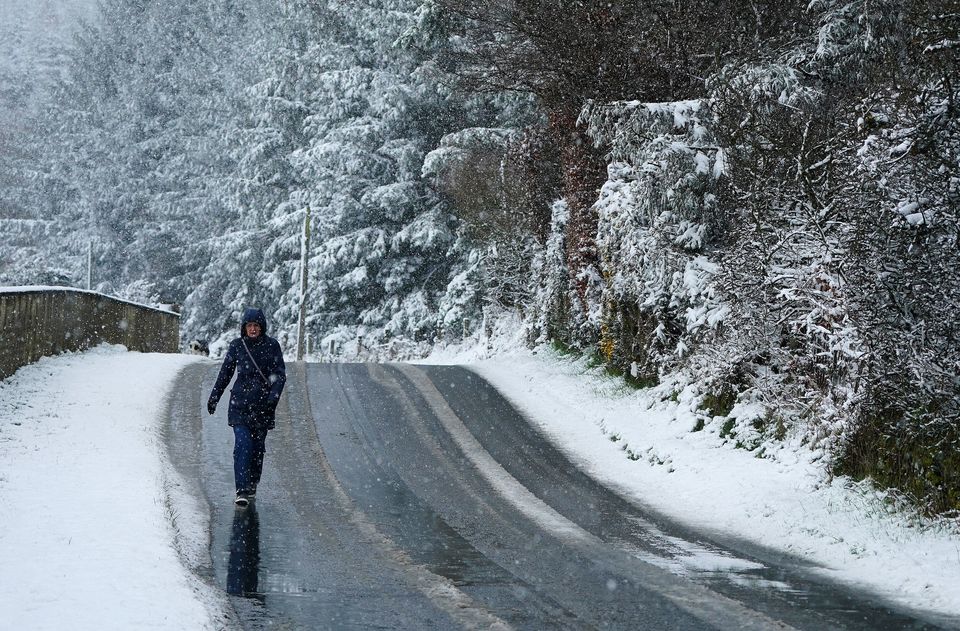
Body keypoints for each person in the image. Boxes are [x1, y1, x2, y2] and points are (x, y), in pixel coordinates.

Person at [207, 307, 286, 506]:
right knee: (243, 445)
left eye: (256, 326)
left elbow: (280, 376)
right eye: (249, 325)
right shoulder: (237, 346)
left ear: (262, 327)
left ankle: (252, 483)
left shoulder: (272, 346)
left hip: (263, 407)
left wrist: (272, 399)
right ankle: (241, 489)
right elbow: (225, 373)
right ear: (244, 327)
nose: (252, 329)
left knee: (258, 449)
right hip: (240, 405)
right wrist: (214, 397)